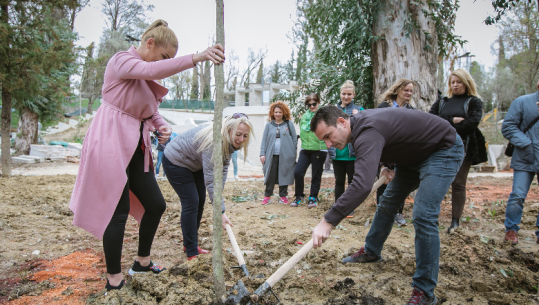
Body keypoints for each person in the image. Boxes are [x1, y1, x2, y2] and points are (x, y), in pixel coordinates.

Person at [69, 20, 226, 291]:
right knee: (116, 212)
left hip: (136, 146)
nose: (164, 65)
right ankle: (114, 279)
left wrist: (160, 124)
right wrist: (196, 57)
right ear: (150, 43)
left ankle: (142, 261)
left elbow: (148, 108)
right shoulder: (122, 61)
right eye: (165, 57)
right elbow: (149, 69)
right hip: (110, 140)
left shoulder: (146, 77)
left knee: (156, 204)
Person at [310, 105, 464, 305]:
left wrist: (328, 221)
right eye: (324, 140)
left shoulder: (366, 131)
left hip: (442, 149)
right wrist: (385, 166)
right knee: (387, 202)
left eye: (328, 136)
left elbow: (362, 185)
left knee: (423, 214)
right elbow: (392, 137)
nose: (328, 144)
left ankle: (425, 292)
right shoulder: (356, 131)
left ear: (341, 122)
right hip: (412, 157)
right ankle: (371, 251)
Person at [163, 114, 253, 260]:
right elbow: (211, 181)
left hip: (194, 163)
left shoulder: (228, 143)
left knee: (200, 200)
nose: (241, 139)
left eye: (245, 135)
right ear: (229, 130)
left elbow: (222, 171)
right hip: (176, 161)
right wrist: (220, 211)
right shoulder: (215, 142)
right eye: (238, 134)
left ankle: (190, 242)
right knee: (191, 202)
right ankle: (191, 250)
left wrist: (219, 200)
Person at [430, 68, 487, 232]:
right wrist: (452, 120)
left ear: (466, 82)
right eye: (452, 82)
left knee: (458, 183)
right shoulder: (442, 101)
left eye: (459, 82)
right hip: (441, 147)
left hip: (465, 147)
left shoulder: (474, 102)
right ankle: (432, 217)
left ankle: (455, 221)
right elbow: (432, 120)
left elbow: (472, 123)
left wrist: (445, 125)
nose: (455, 85)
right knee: (437, 181)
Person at [501, 78, 539, 245]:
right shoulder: (522, 102)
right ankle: (511, 229)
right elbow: (508, 126)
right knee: (518, 194)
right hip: (525, 156)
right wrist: (526, 143)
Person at [376, 78, 416, 226]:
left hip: (402, 150)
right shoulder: (383, 107)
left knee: (399, 181)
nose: (408, 93)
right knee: (383, 181)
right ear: (398, 90)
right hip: (385, 148)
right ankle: (381, 212)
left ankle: (398, 213)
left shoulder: (411, 111)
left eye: (411, 91)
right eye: (406, 90)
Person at [328, 80, 364, 218]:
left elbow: (364, 128)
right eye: (344, 94)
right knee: (338, 181)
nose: (346, 97)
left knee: (351, 182)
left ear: (354, 95)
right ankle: (338, 206)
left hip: (352, 153)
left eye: (349, 94)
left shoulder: (359, 110)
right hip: (337, 153)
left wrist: (357, 116)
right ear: (340, 94)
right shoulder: (333, 111)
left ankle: (349, 207)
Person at [291, 93, 329, 208]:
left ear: (318, 103)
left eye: (314, 104)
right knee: (298, 172)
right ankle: (299, 196)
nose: (312, 106)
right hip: (305, 149)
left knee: (316, 174)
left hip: (319, 149)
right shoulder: (304, 116)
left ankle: (313, 197)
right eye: (309, 105)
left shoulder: (323, 116)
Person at [260, 101, 298, 205]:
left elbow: (294, 139)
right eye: (276, 112)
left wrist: (293, 153)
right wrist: (262, 154)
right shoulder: (269, 125)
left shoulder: (288, 124)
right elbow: (264, 140)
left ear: (283, 112)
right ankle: (267, 196)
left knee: (284, 174)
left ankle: (283, 196)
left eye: (280, 112)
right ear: (272, 112)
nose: (277, 114)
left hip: (286, 156)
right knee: (270, 175)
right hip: (271, 156)